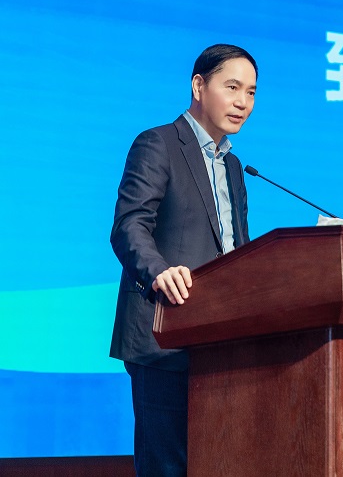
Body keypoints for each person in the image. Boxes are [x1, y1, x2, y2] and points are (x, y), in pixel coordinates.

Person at [109, 44, 258, 477]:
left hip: (222, 343)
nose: (242, 102)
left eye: (251, 92)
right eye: (232, 87)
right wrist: (159, 272)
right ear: (198, 86)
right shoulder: (158, 144)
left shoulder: (234, 168)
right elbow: (129, 225)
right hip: (166, 336)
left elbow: (235, 250)